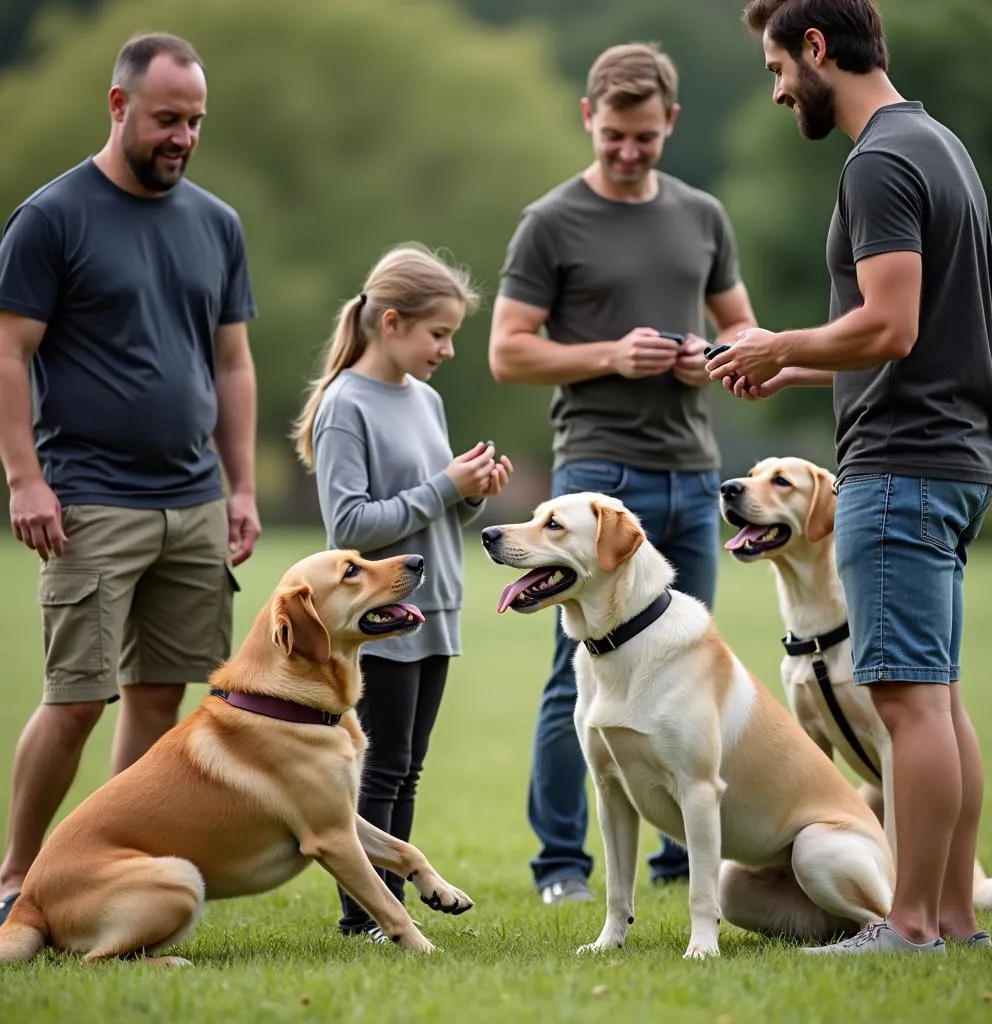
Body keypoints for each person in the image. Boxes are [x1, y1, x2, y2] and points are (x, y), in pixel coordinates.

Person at [708, 0, 992, 955]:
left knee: (908, 703)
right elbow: (905, 330)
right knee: (939, 700)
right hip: (955, 456)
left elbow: (893, 324)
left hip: (902, 464)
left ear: (817, 47)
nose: (779, 87)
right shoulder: (938, 145)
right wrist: (795, 367)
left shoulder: (876, 161)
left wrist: (777, 338)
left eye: (777, 66)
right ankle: (954, 919)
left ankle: (911, 923)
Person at [0, 32, 260, 927]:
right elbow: (8, 349)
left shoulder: (216, 223)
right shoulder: (52, 217)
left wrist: (242, 488)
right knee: (75, 697)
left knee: (161, 697)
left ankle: (102, 870)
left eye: (193, 121)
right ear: (118, 108)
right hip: (89, 498)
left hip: (192, 501)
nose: (181, 137)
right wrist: (23, 477)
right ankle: (14, 880)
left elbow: (232, 363)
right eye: (165, 120)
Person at [489, 42, 758, 904]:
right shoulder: (551, 221)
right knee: (578, 675)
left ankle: (684, 862)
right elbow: (507, 352)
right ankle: (562, 868)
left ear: (670, 123)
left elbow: (742, 332)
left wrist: (705, 361)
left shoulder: (703, 215)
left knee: (688, 673)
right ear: (588, 120)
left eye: (645, 137)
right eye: (614, 136)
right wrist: (613, 354)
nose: (629, 151)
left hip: (693, 473)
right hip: (597, 474)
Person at [292, 242, 513, 941]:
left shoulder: (427, 398)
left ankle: (384, 907)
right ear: (391, 323)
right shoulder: (345, 407)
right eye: (438, 334)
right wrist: (445, 485)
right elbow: (350, 525)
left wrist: (472, 495)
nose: (446, 350)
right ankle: (365, 915)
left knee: (407, 768)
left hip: (436, 608)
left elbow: (433, 506)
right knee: (381, 770)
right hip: (378, 621)